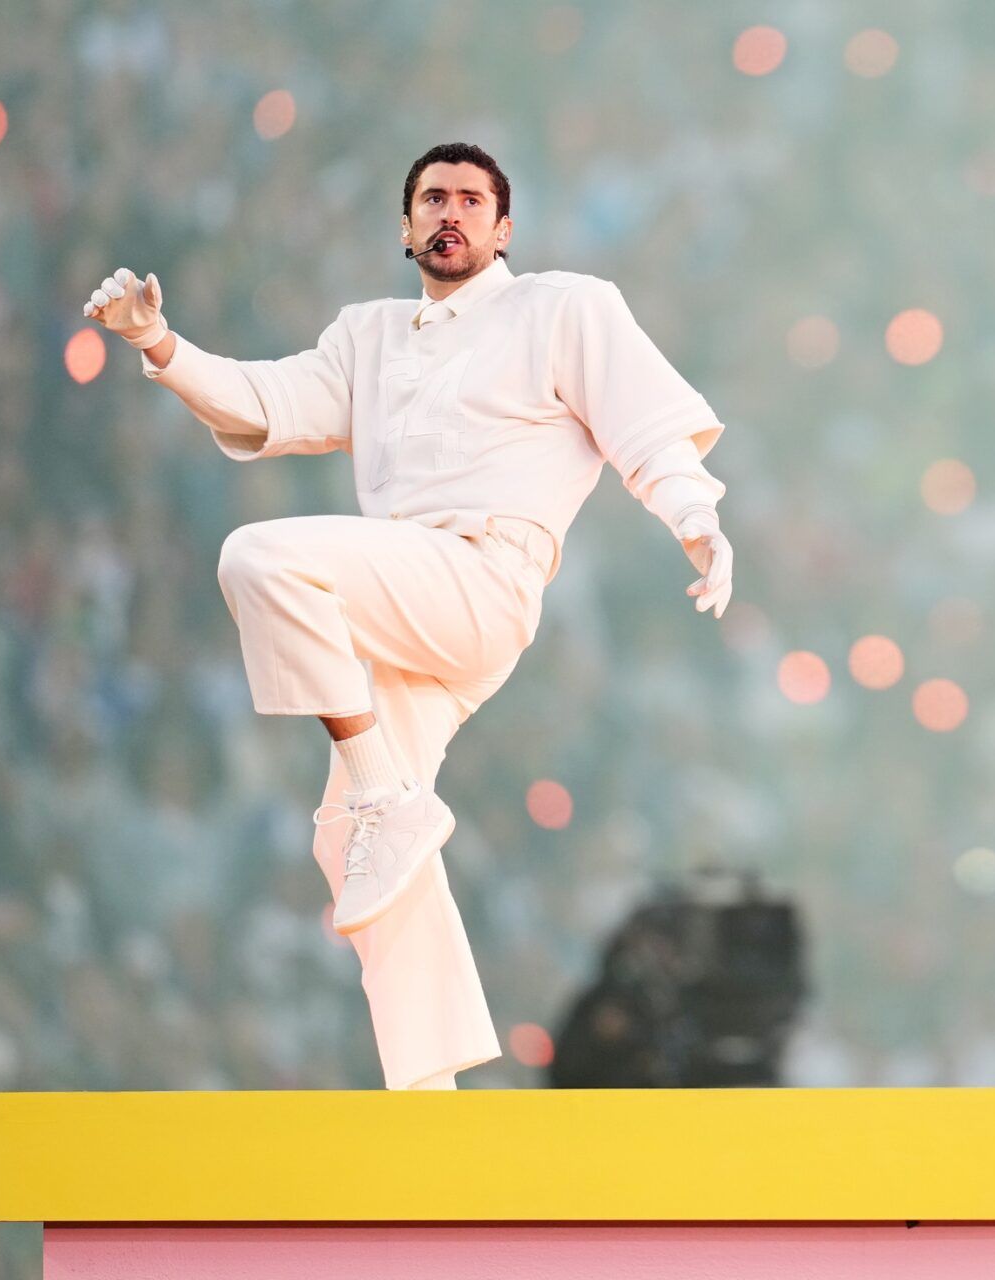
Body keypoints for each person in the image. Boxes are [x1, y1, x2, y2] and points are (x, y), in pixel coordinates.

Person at [81, 141, 735, 1091]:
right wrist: (158, 345)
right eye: (432, 199)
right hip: (396, 605)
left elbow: (645, 422)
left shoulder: (561, 306)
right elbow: (268, 400)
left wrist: (697, 518)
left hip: (482, 579)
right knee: (349, 837)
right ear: (405, 226)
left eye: (472, 200)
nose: (450, 214)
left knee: (262, 555)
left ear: (504, 228)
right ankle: (430, 1090)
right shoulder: (370, 335)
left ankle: (388, 791)